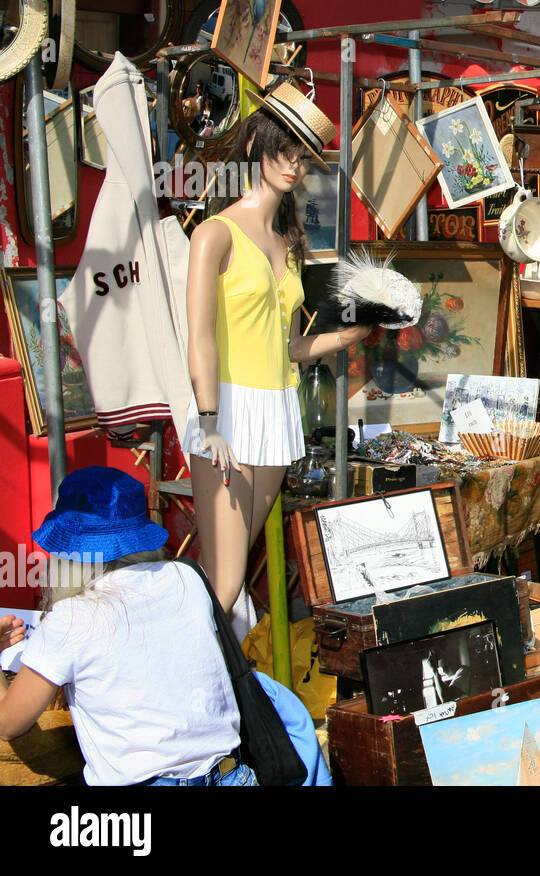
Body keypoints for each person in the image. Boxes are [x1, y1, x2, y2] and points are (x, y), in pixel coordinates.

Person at [183, 82, 372, 624]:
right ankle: (208, 697)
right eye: (282, 150)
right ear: (257, 147)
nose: (292, 165)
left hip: (275, 409)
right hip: (227, 409)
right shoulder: (214, 235)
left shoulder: (289, 246)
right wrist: (208, 418)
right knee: (225, 584)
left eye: (301, 156)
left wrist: (350, 337)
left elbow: (289, 347)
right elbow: (197, 334)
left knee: (230, 572)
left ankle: (220, 693)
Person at [0, 467, 255, 786]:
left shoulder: (73, 617)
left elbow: (8, 724)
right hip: (230, 775)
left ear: (68, 553)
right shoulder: (188, 577)